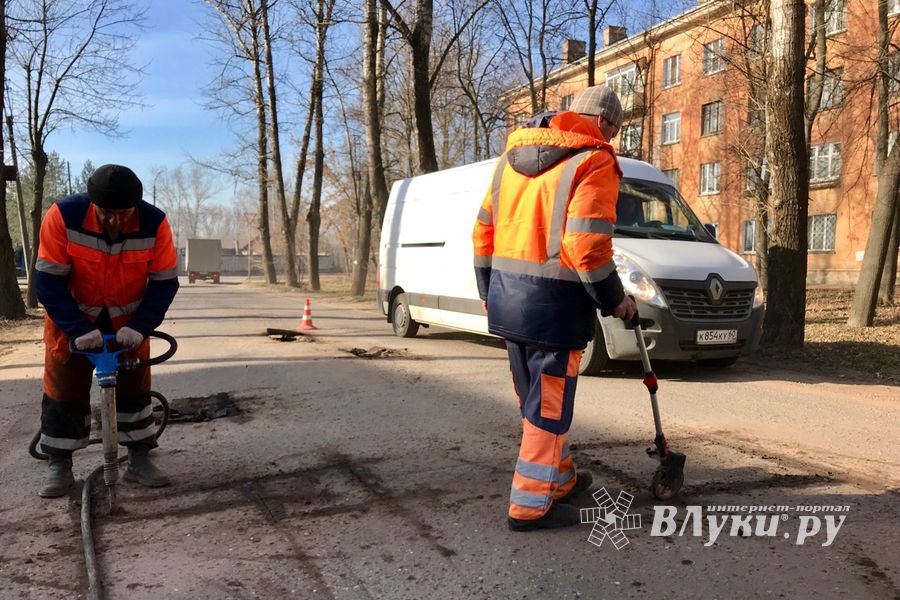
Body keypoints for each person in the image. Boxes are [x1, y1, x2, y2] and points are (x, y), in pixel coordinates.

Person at [472, 84, 637, 531]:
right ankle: (529, 507)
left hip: (508, 304)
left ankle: (558, 479)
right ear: (602, 122)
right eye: (614, 130)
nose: (613, 138)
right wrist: (616, 300)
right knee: (547, 410)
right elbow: (586, 247)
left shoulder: (510, 161)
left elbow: (483, 232)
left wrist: (489, 290)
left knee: (537, 402)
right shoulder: (594, 160)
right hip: (555, 310)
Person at [34, 164, 180, 498]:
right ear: (93, 203)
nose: (115, 220)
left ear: (135, 205)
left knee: (134, 389)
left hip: (126, 325)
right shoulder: (64, 216)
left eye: (123, 213)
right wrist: (76, 328)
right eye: (107, 213)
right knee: (63, 390)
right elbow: (48, 280)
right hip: (71, 322)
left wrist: (140, 326)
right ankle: (60, 465)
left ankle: (139, 459)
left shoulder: (154, 223)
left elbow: (164, 282)